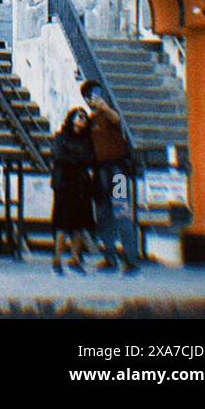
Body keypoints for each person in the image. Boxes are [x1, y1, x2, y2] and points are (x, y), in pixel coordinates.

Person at [81, 80, 140, 273]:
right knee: (104, 215)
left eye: (95, 95)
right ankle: (110, 256)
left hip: (117, 170)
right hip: (100, 172)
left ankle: (131, 258)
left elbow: (117, 120)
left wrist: (105, 108)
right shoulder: (90, 122)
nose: (92, 100)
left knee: (122, 211)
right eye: (89, 96)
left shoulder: (111, 114)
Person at [50, 107, 95, 274]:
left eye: (84, 117)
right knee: (63, 223)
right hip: (65, 184)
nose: (82, 120)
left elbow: (90, 158)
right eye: (79, 117)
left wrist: (75, 160)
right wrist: (79, 161)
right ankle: (57, 258)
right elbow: (59, 156)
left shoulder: (87, 140)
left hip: (80, 185)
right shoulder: (61, 137)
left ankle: (75, 258)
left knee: (79, 224)